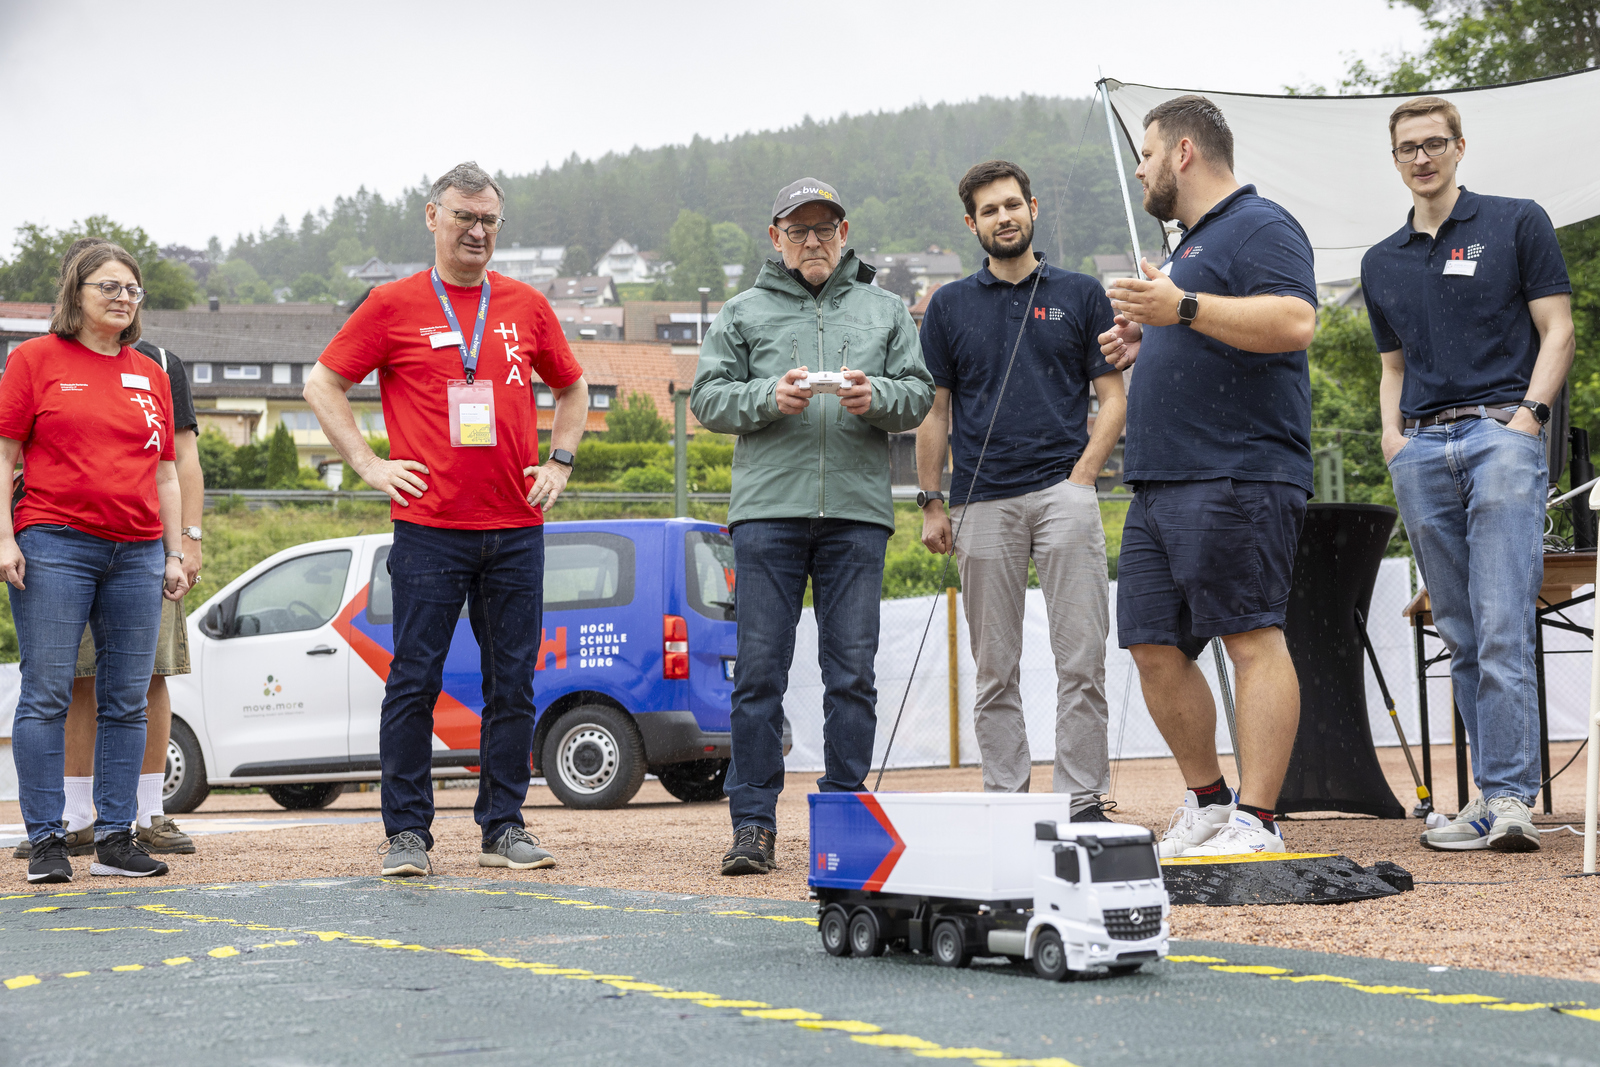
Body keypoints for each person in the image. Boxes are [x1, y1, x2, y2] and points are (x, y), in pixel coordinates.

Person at [305, 161, 589, 877]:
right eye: (464, 216)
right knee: (414, 681)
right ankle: (407, 834)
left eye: (489, 219)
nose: (477, 230)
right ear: (432, 217)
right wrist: (370, 465)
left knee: (512, 683)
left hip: (516, 526)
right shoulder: (392, 304)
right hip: (429, 528)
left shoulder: (524, 304)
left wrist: (559, 461)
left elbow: (574, 384)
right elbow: (323, 381)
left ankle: (504, 826)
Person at [692, 177, 935, 875]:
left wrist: (875, 396)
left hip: (858, 515)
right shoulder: (742, 311)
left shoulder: (886, 310)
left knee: (851, 673)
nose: (812, 240)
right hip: (767, 514)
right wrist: (767, 396)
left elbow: (917, 395)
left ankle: (847, 814)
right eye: (798, 229)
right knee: (759, 674)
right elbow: (708, 398)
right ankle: (753, 825)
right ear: (776, 238)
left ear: (845, 232)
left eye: (824, 228)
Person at [1096, 95, 1317, 857]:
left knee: (1252, 639)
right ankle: (1211, 804)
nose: (1140, 167)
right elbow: (1202, 323)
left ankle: (1259, 819)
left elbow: (1294, 321)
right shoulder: (1190, 242)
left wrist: (1180, 306)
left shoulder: (1262, 224)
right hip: (1160, 482)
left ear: (1183, 152)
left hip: (1237, 471)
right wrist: (1146, 339)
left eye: (1147, 152)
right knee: (1152, 644)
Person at [1362, 97, 1574, 853]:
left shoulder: (1516, 222)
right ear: (1395, 160)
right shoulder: (1380, 259)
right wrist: (1392, 439)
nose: (1422, 158)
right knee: (1460, 631)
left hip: (1499, 437)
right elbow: (1391, 366)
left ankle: (1513, 799)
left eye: (1434, 144)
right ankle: (1490, 797)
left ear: (1459, 147)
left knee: (1504, 619)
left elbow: (1558, 328)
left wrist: (1528, 422)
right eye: (1407, 148)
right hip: (1419, 450)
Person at [916, 159, 1126, 817]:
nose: (1003, 217)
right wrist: (931, 500)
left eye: (1012, 205)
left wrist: (1084, 476)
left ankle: (1082, 797)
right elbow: (934, 412)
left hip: (1064, 493)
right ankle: (1006, 799)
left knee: (1082, 660)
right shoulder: (948, 305)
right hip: (980, 502)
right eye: (989, 210)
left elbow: (1113, 398)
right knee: (994, 668)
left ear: (1032, 207)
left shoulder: (1083, 292)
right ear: (972, 223)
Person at [0, 242, 190, 884]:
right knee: (47, 693)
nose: (122, 298)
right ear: (75, 293)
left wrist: (172, 551)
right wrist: (4, 539)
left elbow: (166, 472)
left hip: (137, 552)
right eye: (108, 286)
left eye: (132, 290)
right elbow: (4, 459)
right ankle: (49, 839)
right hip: (55, 543)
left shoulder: (150, 372)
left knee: (127, 699)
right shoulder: (33, 360)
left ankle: (116, 836)